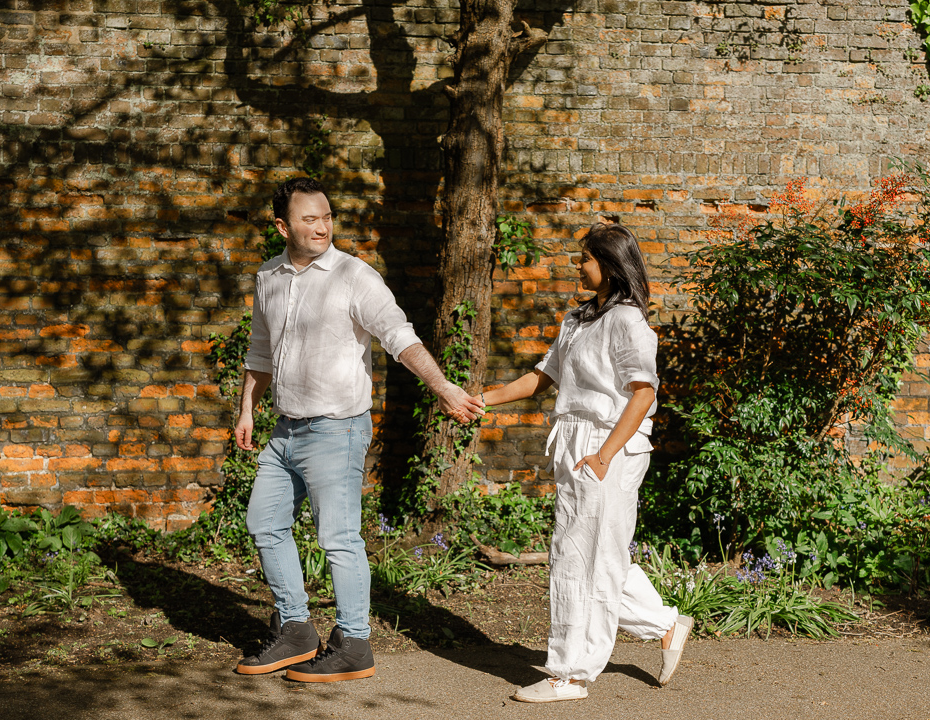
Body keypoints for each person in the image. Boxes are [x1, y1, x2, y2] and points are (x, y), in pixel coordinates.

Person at [233, 177, 484, 683]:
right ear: (283, 225)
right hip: (285, 431)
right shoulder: (269, 277)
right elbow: (261, 350)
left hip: (337, 429)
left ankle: (354, 643)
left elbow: (398, 336)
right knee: (264, 522)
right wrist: (246, 409)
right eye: (309, 218)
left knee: (339, 538)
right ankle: (297, 631)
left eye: (326, 216)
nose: (322, 226)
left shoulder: (353, 275)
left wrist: (443, 388)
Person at [481, 222, 693, 703]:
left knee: (579, 558)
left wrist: (604, 453)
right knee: (593, 555)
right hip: (575, 442)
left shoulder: (628, 323)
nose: (579, 266)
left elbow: (643, 393)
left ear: (611, 266)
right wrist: (482, 400)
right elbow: (542, 377)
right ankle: (665, 624)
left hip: (609, 445)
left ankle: (570, 674)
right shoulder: (578, 320)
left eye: (587, 259)